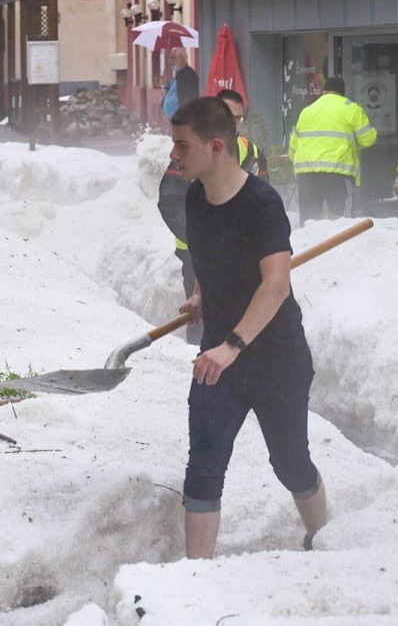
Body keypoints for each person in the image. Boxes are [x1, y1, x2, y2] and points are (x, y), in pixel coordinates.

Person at [169, 96, 328, 560]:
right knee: (204, 466)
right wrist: (202, 293)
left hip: (275, 357)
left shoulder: (262, 205)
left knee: (290, 463)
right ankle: (195, 578)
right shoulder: (196, 195)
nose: (174, 155)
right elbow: (208, 253)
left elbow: (276, 286)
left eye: (183, 145)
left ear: (216, 147)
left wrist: (231, 345)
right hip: (220, 362)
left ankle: (323, 542)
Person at [157, 87, 268, 345]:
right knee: (202, 323)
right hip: (197, 255)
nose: (233, 123)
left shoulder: (251, 153)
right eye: (227, 115)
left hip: (242, 257)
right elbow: (170, 201)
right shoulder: (191, 152)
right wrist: (204, 240)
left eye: (238, 118)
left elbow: (264, 203)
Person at [290, 75, 377, 224]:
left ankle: (310, 247)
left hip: (307, 175)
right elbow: (368, 138)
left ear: (324, 91)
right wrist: (353, 144)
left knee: (309, 224)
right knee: (341, 223)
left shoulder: (307, 111)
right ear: (342, 93)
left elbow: (293, 149)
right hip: (338, 173)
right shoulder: (350, 108)